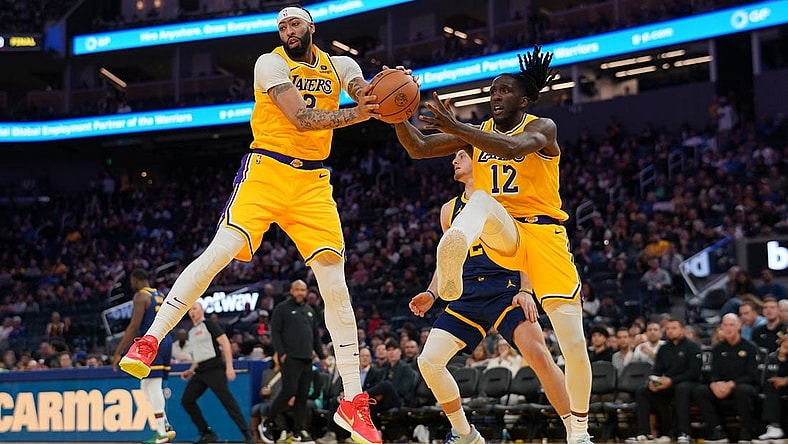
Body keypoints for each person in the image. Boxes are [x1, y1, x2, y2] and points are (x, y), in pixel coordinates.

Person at [119, 5, 389, 444]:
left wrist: (384, 91)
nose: (287, 30)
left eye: (294, 23)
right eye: (282, 26)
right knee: (219, 252)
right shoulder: (269, 63)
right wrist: (363, 113)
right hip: (267, 170)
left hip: (313, 183)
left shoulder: (340, 65)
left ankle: (352, 402)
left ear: (311, 26)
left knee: (335, 286)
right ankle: (150, 340)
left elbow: (362, 91)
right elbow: (302, 118)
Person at [395, 45, 592, 444]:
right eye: (492, 92)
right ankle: (456, 245)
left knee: (573, 344)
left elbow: (514, 148)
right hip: (505, 231)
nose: (495, 97)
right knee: (482, 200)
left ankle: (580, 432)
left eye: (504, 91)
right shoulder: (478, 134)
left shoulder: (543, 127)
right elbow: (418, 147)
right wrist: (394, 113)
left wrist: (457, 127)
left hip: (545, 236)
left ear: (524, 100)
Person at [409, 148, 572, 444]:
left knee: (539, 356)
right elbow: (447, 259)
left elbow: (528, 246)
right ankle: (464, 433)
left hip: (504, 287)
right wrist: (432, 292)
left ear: (480, 160)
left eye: (462, 155)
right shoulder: (448, 210)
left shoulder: (504, 199)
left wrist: (526, 289)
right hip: (467, 291)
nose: (454, 161)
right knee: (429, 361)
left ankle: (576, 431)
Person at [111, 269, 175, 444]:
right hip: (165, 339)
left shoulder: (141, 296)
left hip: (152, 341)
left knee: (153, 385)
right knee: (146, 387)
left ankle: (162, 433)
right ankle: (165, 426)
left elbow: (134, 326)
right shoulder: (159, 295)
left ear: (136, 279)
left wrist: (118, 351)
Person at [260, 280, 326, 444]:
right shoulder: (282, 309)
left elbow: (315, 337)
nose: (300, 293)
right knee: (289, 391)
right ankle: (267, 421)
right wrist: (282, 353)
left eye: (303, 290)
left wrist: (322, 357)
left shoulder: (310, 311)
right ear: (291, 291)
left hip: (307, 359)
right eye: (297, 289)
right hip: (290, 358)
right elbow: (275, 332)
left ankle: (298, 431)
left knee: (302, 396)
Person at [180, 300, 254, 444]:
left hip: (214, 367)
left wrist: (229, 366)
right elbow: (198, 353)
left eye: (195, 308)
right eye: (190, 310)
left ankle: (247, 433)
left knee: (227, 401)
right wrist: (191, 370)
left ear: (201, 311)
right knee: (187, 400)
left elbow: (225, 343)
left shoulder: (209, 324)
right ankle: (206, 432)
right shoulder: (191, 331)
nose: (192, 312)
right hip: (200, 370)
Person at [625, 318, 701, 444]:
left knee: (681, 389)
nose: (670, 331)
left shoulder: (692, 346)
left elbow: (694, 372)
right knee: (642, 391)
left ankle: (684, 432)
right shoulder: (664, 348)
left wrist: (671, 381)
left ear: (682, 330)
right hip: (667, 384)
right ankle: (643, 433)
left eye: (674, 328)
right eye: (668, 329)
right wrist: (654, 381)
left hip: (688, 383)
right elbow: (657, 370)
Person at [692, 313, 760, 443]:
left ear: (739, 326)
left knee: (742, 390)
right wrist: (714, 384)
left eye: (732, 325)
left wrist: (731, 384)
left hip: (744, 386)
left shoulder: (750, 347)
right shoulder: (717, 349)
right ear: (721, 327)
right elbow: (712, 371)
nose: (728, 328)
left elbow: (752, 375)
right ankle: (717, 430)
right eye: (725, 325)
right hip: (722, 387)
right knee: (700, 390)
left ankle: (746, 431)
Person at [757, 335, 788, 441]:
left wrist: (786, 380)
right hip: (778, 389)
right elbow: (764, 379)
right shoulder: (772, 357)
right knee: (771, 384)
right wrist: (781, 358)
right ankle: (774, 427)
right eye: (785, 342)